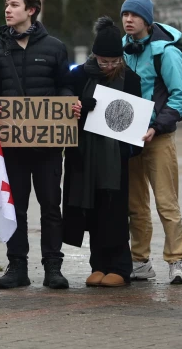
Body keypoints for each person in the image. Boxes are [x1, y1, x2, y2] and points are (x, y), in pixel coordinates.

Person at [0, 0, 73, 290]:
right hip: (12, 146)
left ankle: (53, 266)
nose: (8, 9)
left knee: (51, 207)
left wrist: (70, 103)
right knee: (16, 208)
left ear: (31, 11)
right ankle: (17, 266)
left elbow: (65, 85)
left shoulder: (54, 47)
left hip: (48, 145)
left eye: (14, 5)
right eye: (7, 4)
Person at [63, 17, 142, 287]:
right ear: (95, 56)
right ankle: (98, 264)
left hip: (114, 158)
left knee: (114, 210)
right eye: (103, 61)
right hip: (83, 154)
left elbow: (135, 118)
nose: (108, 66)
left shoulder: (130, 79)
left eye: (114, 61)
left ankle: (120, 266)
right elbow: (64, 108)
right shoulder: (78, 76)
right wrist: (78, 107)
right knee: (90, 208)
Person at [121, 0, 182, 284]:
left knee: (166, 202)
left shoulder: (166, 52)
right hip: (129, 138)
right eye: (124, 14)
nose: (128, 19)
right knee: (135, 205)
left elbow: (179, 98)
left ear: (147, 20)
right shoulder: (121, 49)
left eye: (134, 15)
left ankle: (177, 261)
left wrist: (157, 127)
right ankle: (140, 261)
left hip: (157, 138)